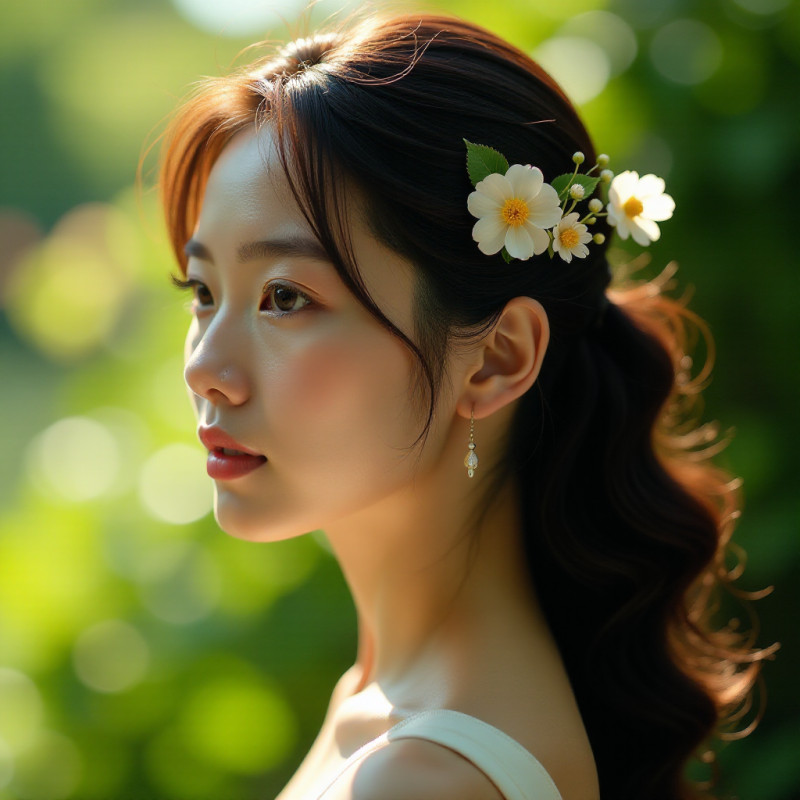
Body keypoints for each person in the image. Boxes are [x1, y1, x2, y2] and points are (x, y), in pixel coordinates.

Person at [157, 12, 770, 800]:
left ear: (498, 358)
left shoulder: (422, 777)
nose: (206, 369)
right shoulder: (385, 708)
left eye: (285, 297)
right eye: (203, 293)